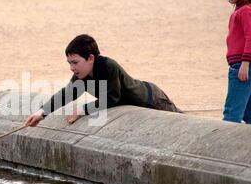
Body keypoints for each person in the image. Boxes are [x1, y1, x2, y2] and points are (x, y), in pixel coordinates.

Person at [24, 34, 182, 127]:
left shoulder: (108, 66)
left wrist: (82, 110)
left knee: (180, 120)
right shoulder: (82, 75)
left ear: (90, 58)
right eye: (69, 63)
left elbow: (113, 98)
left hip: (151, 97)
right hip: (139, 102)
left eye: (75, 62)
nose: (72, 68)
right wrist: (41, 113)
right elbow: (66, 94)